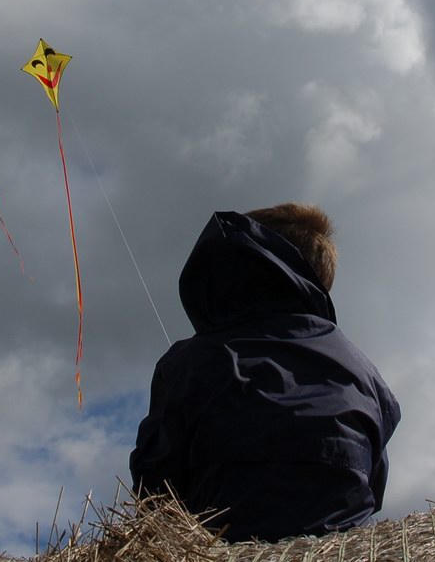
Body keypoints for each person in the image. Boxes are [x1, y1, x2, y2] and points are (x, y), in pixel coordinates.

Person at [129, 204, 400, 543]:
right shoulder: (366, 375)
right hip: (341, 545)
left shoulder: (188, 360)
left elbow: (155, 491)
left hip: (223, 544)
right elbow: (374, 487)